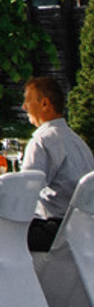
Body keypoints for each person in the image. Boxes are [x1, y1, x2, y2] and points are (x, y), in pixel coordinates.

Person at [18, 73, 94, 253]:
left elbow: (24, 193)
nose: (23, 107)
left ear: (45, 104)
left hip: (57, 230)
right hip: (83, 228)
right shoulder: (76, 140)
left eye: (28, 101)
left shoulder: (42, 141)